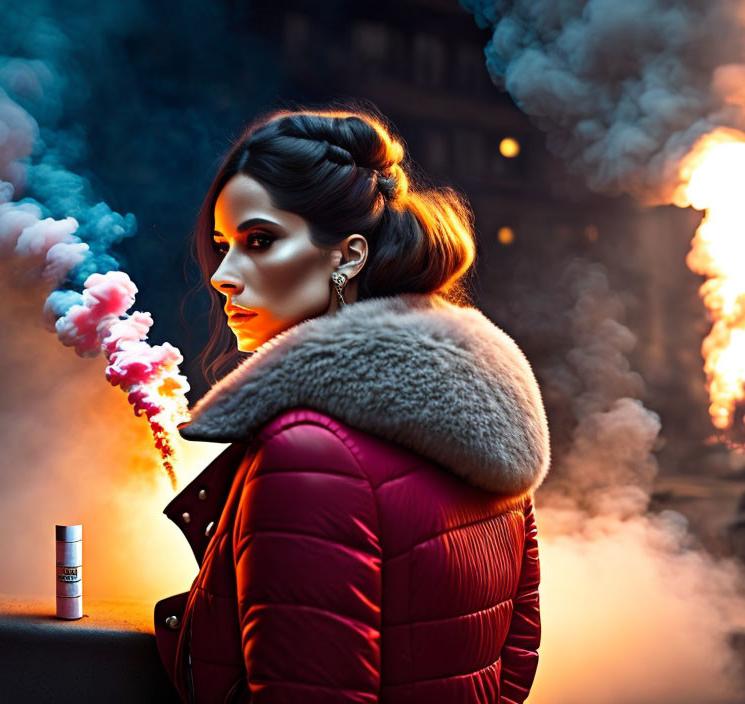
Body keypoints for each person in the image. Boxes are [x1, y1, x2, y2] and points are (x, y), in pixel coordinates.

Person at [153, 103, 550, 704]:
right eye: (222, 243)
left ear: (349, 255)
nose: (223, 276)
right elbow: (516, 658)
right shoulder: (481, 401)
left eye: (259, 240)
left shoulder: (307, 455)